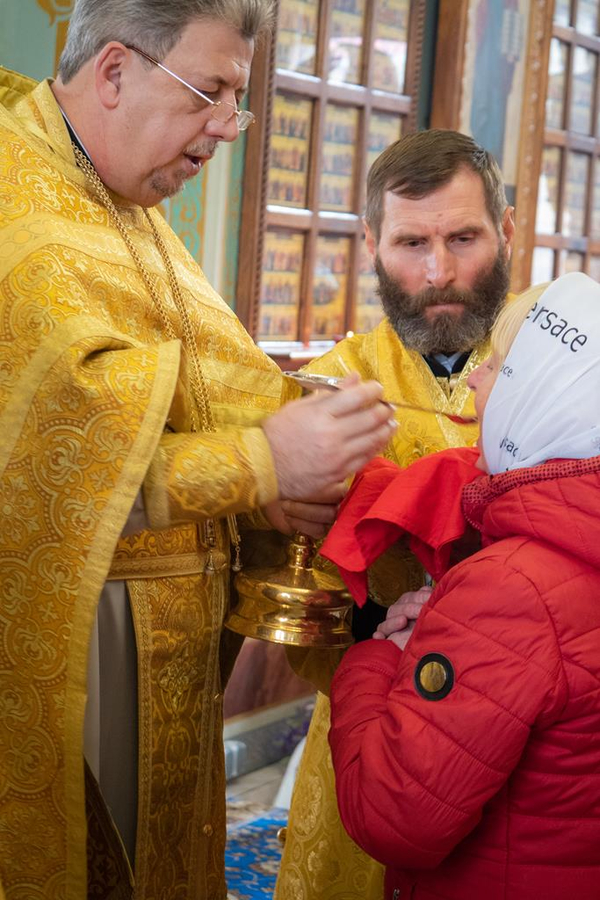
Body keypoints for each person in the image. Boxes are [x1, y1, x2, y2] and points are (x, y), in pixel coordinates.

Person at [0, 3, 396, 899]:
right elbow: (42, 463)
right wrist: (261, 465)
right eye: (208, 92)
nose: (225, 128)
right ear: (113, 72)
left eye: (238, 100)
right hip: (73, 649)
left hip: (171, 659)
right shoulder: (13, 198)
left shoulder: (122, 202)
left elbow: (206, 389)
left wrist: (288, 475)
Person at [275, 129, 516, 900]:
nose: (438, 273)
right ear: (372, 243)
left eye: (464, 238)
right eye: (411, 242)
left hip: (528, 733)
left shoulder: (566, 373)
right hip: (372, 725)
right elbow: (296, 612)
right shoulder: (325, 395)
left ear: (507, 232)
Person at [326, 272, 600, 900]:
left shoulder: (511, 589)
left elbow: (394, 816)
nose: (476, 378)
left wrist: (380, 657)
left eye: (501, 365)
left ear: (546, 395)